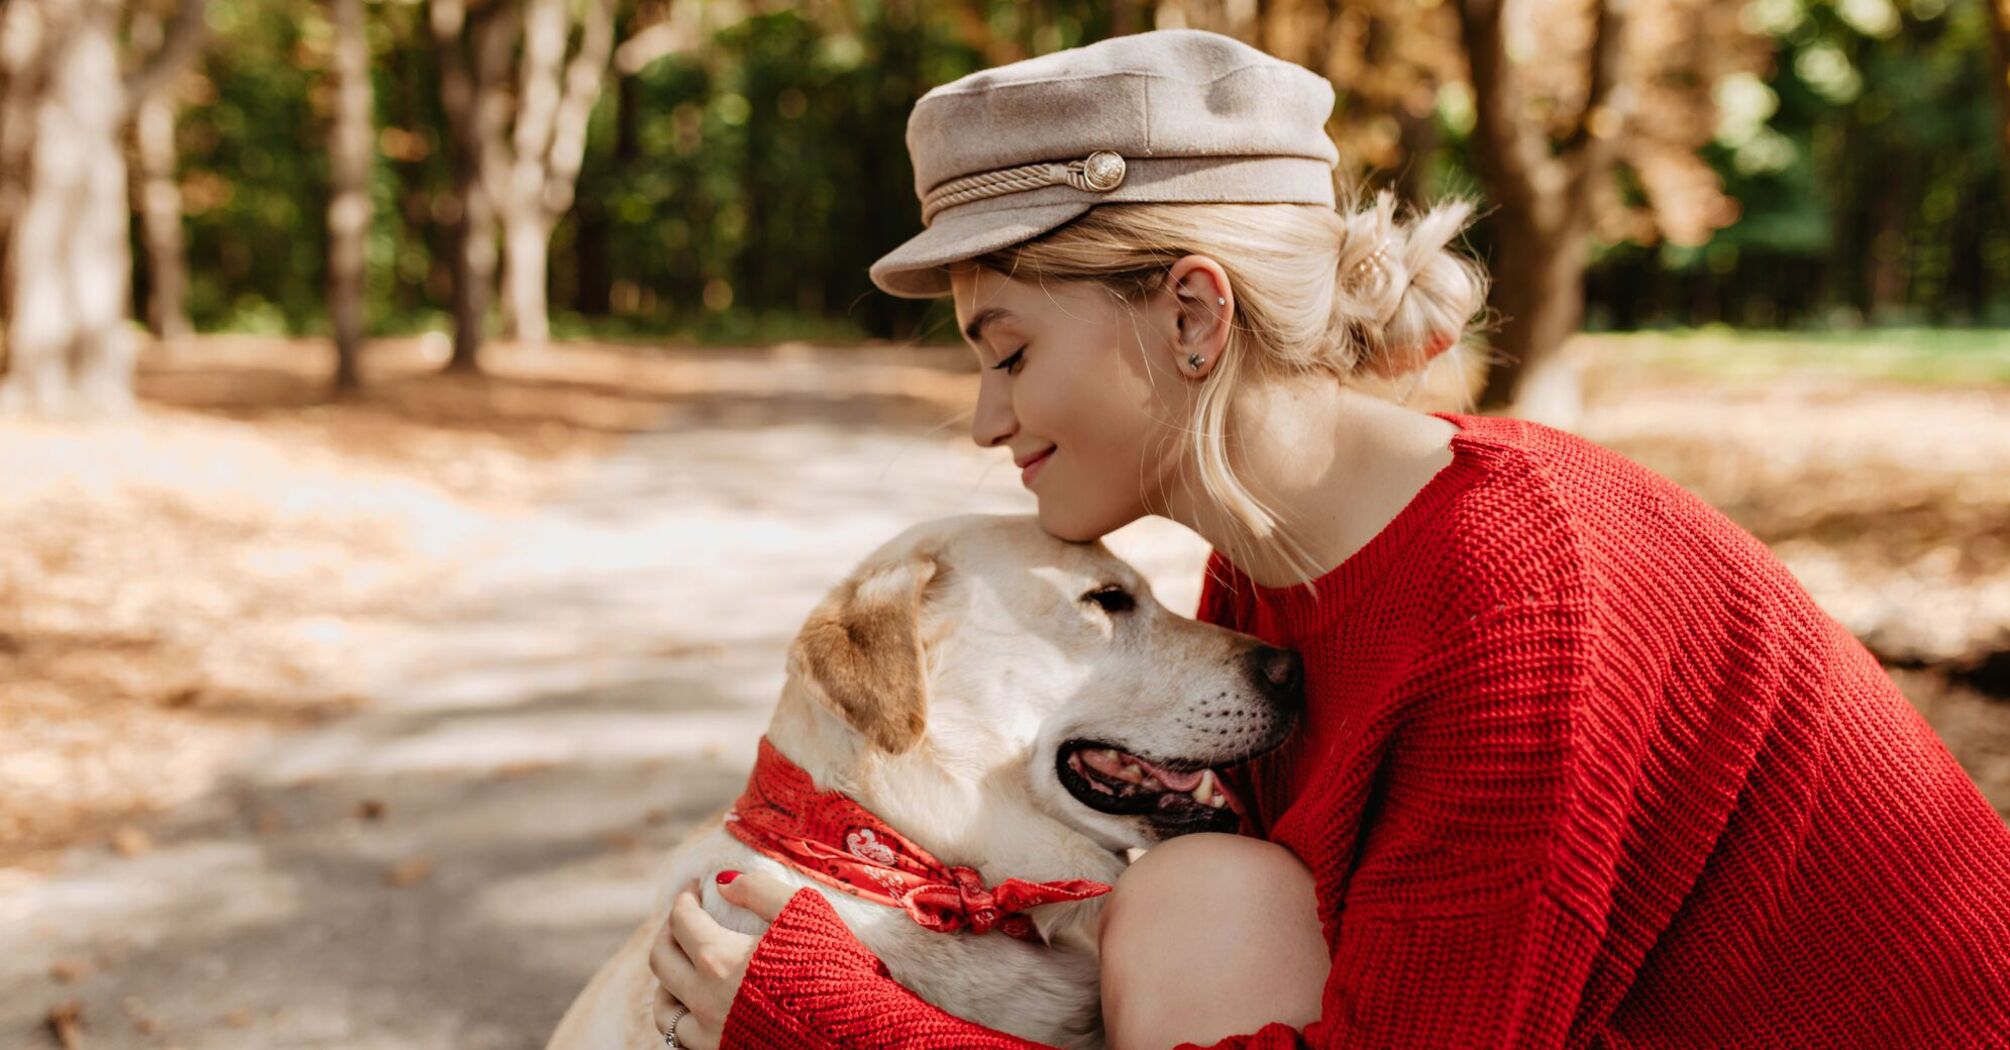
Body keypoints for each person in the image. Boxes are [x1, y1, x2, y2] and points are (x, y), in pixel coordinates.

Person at [641, 28, 2010, 1050]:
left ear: (1192, 316)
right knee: (1194, 892)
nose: (989, 418)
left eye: (1008, 352)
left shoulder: (1525, 600)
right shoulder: (1268, 574)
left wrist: (848, 1030)